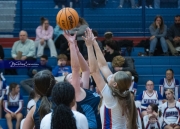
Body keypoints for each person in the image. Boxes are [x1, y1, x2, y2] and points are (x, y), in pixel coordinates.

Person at [83, 28, 137, 128]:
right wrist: (95, 42)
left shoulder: (110, 96)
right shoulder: (124, 94)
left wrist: (89, 46)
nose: (111, 75)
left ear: (115, 84)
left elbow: (94, 71)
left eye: (113, 76)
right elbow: (103, 66)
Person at [63, 31, 101, 129]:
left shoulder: (83, 88)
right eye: (71, 77)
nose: (75, 76)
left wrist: (77, 51)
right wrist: (71, 44)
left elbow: (85, 70)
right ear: (69, 85)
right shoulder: (75, 92)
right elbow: (75, 69)